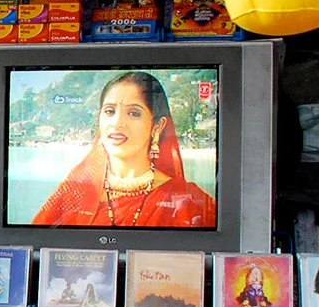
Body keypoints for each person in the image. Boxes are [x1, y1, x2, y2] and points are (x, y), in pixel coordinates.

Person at [31, 71, 216, 228]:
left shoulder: (189, 201)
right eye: (109, 111)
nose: (117, 123)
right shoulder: (74, 192)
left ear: (157, 127)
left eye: (133, 113)